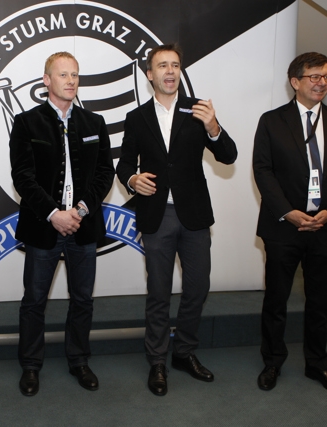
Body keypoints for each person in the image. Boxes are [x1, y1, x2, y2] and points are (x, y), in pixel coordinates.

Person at [116, 44, 237, 396]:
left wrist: (213, 126)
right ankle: (157, 360)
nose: (170, 71)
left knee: (197, 289)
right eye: (162, 66)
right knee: (158, 293)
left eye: (175, 65)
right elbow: (124, 164)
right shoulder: (137, 118)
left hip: (195, 216)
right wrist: (132, 180)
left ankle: (184, 352)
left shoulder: (199, 111)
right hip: (157, 216)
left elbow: (228, 155)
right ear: (150, 74)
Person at [253, 52, 327, 396]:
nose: (321, 83)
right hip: (284, 227)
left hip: (326, 227)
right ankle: (272, 361)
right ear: (295, 82)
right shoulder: (271, 121)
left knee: (321, 300)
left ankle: (318, 365)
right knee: (277, 299)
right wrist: (288, 211)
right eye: (314, 76)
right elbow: (263, 171)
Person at [9, 52, 115, 396]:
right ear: (46, 80)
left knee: (82, 299)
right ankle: (30, 365)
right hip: (44, 226)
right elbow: (23, 178)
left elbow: (105, 173)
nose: (70, 81)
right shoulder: (27, 123)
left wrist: (81, 210)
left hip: (83, 226)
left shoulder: (94, 123)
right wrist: (55, 214)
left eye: (75, 75)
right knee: (34, 300)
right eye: (63, 74)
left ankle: (79, 360)